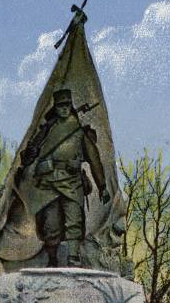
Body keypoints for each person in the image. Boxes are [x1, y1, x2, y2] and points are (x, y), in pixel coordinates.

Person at [20, 88, 110, 267]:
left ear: (71, 106)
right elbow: (29, 156)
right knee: (50, 225)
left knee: (74, 220)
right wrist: (36, 157)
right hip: (49, 183)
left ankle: (73, 257)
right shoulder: (47, 129)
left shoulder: (79, 130)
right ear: (56, 107)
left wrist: (102, 186)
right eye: (61, 105)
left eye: (67, 105)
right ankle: (52, 259)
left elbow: (94, 159)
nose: (64, 109)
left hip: (72, 182)